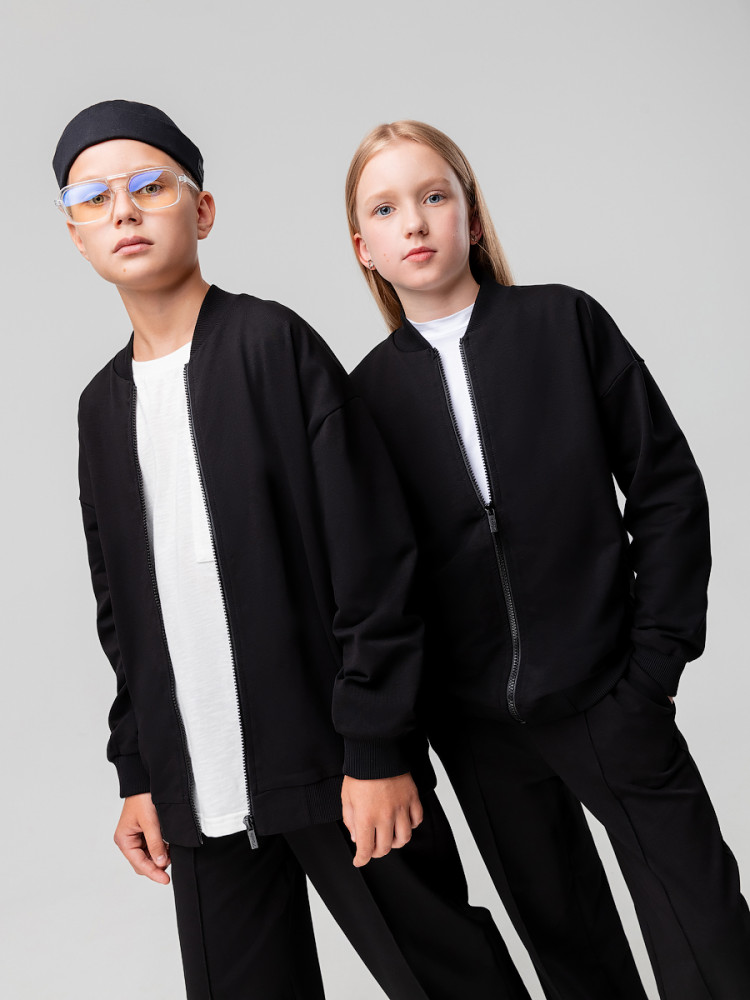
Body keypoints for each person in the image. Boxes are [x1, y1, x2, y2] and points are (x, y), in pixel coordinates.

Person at [57, 101, 531, 1000]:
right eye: (93, 199)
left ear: (201, 211)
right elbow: (121, 610)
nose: (123, 211)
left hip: (337, 761)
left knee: (449, 976)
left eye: (150, 187)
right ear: (75, 234)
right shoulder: (99, 407)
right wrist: (140, 772)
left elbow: (374, 559)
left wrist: (378, 748)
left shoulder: (272, 345)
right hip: (197, 789)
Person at [345, 119, 750, 1000]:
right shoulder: (364, 396)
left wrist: (655, 665)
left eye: (435, 196)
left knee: (711, 936)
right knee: (574, 957)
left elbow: (667, 490)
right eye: (385, 208)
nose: (414, 221)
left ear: (472, 217)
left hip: (611, 691)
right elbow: (375, 576)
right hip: (478, 728)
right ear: (364, 248)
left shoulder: (564, 322)